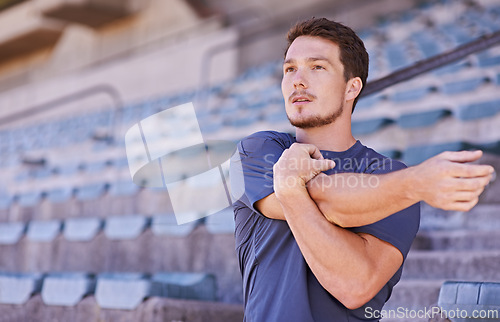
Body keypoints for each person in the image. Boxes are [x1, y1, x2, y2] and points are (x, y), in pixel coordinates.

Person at [229, 18, 494, 321]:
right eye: (290, 69)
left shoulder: (388, 173)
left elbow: (355, 286)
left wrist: (290, 188)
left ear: (351, 87)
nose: (297, 80)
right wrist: (413, 185)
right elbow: (327, 199)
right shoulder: (258, 150)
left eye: (317, 67)